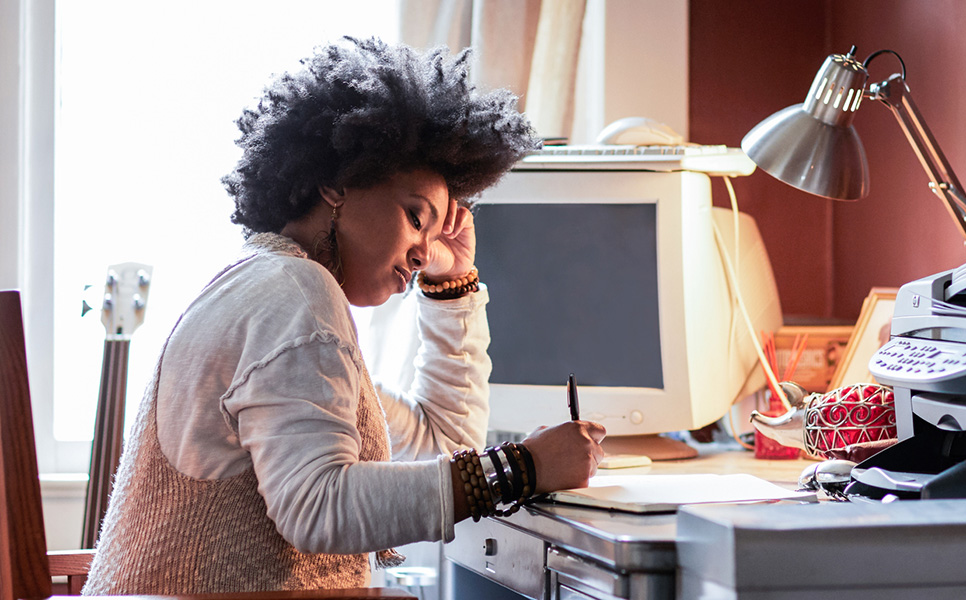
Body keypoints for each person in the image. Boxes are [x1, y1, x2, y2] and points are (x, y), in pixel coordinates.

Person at [82, 37, 605, 595]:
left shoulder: (266, 283)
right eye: (414, 217)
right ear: (337, 184)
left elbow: (441, 442)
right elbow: (317, 506)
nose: (424, 251)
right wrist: (519, 469)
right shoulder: (295, 294)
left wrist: (450, 288)